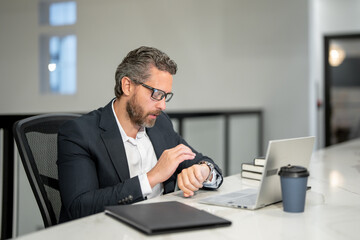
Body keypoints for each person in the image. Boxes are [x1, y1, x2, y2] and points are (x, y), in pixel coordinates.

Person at [57, 46, 223, 223]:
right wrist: (152, 177)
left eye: (165, 96)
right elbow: (79, 207)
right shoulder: (80, 133)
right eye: (157, 94)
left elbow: (201, 161)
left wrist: (203, 171)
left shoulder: (160, 124)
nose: (163, 106)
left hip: (161, 226)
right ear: (127, 86)